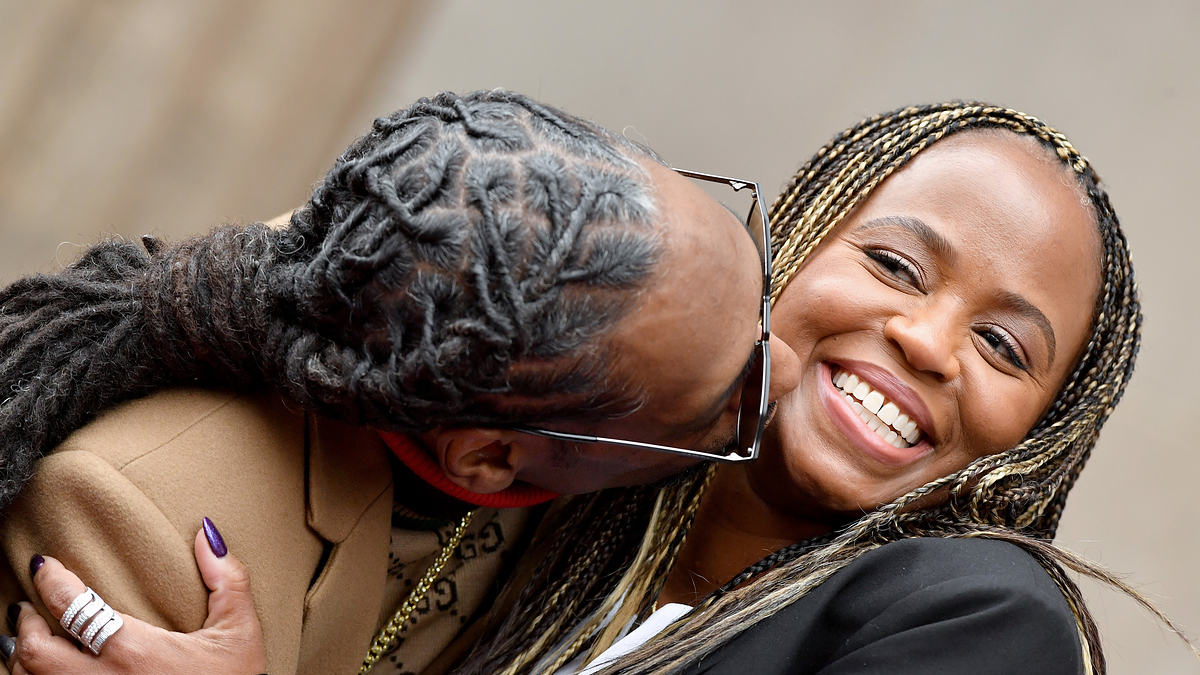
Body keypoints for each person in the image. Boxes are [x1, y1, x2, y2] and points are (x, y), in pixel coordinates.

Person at [8, 103, 1183, 674]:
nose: (927, 339)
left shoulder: (977, 617)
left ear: (1044, 433)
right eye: (892, 264)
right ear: (803, 242)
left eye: (1005, 348)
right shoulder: (579, 480)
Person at [0, 90, 800, 675]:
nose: (790, 367)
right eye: (731, 395)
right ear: (486, 457)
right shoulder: (142, 523)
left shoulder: (427, 277)